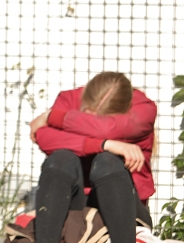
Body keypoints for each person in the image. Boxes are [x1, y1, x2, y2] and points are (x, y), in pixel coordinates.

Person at [29, 71, 157, 243]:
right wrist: (104, 144)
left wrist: (52, 117)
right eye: (86, 117)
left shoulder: (142, 108)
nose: (87, 123)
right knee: (60, 159)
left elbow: (106, 129)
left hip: (123, 208)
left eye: (94, 121)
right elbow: (45, 137)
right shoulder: (69, 99)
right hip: (77, 204)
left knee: (108, 161)